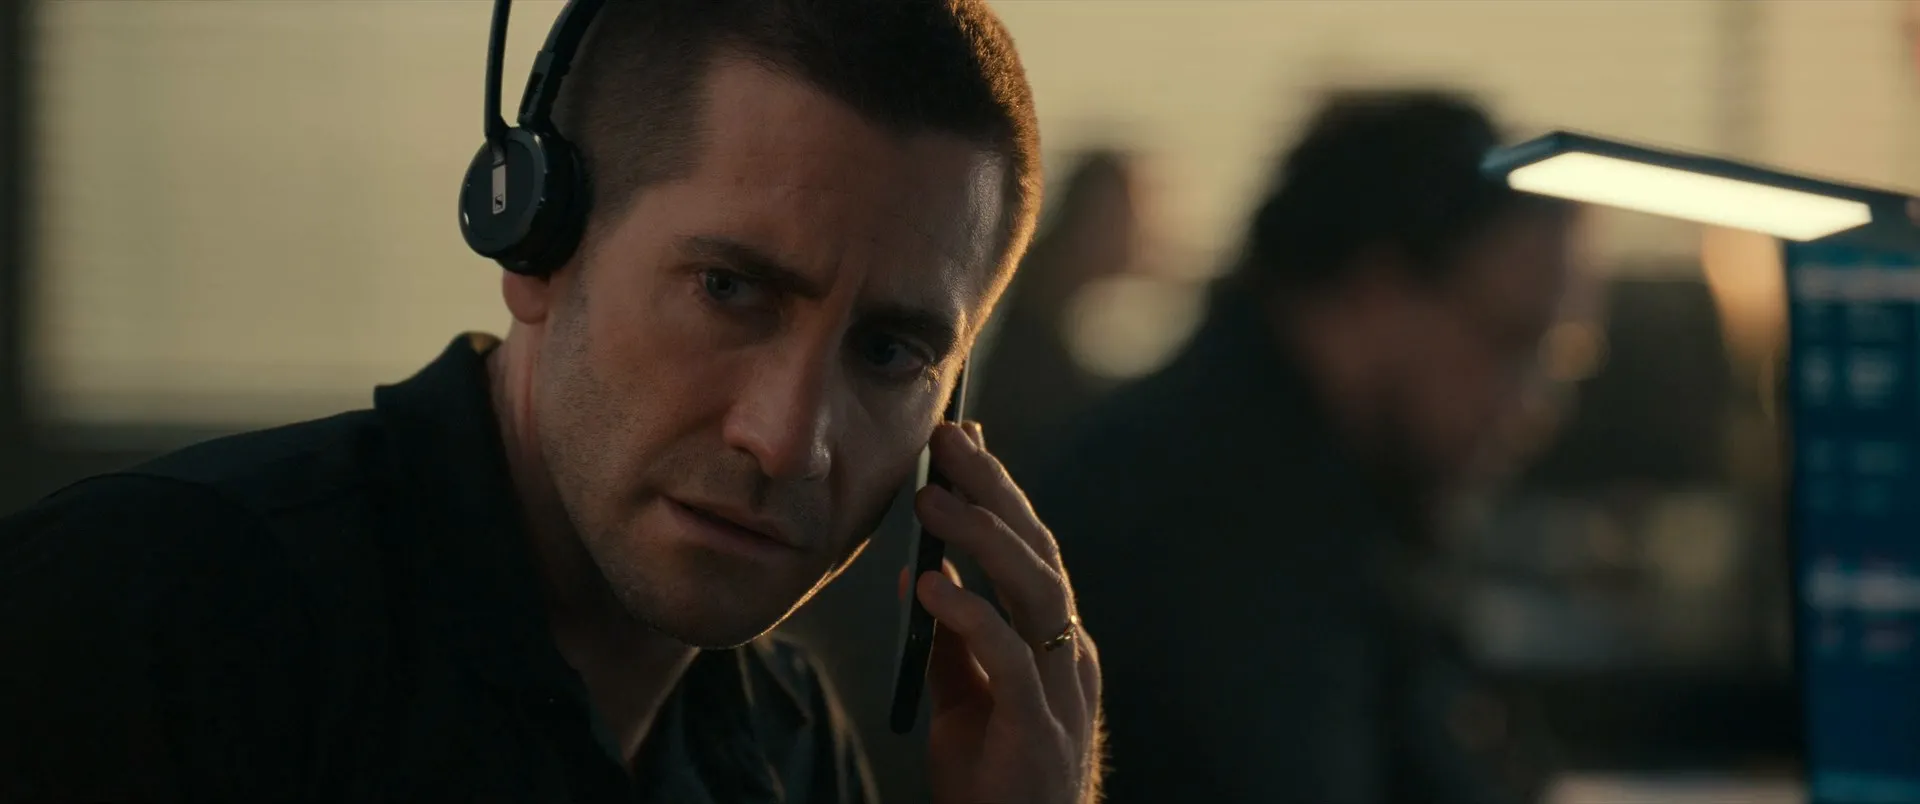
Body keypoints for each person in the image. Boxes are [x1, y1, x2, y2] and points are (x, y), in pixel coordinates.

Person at [0, 2, 1105, 802]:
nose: (785, 441)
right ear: (534, 244)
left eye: (891, 352)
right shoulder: (155, 611)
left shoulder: (786, 749)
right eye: (729, 290)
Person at [1025, 90, 1581, 804]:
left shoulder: (1303, 484)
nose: (1533, 403)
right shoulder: (1224, 520)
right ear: (1375, 296)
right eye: (1513, 340)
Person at [971, 149, 1154, 483]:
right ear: (1093, 219)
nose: (1137, 232)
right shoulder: (1035, 311)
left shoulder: (1045, 296)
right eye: (1125, 217)